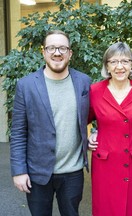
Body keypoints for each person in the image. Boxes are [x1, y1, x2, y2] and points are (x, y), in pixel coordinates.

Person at [10, 30, 91, 216]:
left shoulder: (84, 82)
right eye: (52, 48)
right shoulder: (27, 85)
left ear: (70, 53)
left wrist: (94, 131)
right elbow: (18, 133)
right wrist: (19, 171)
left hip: (73, 172)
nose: (57, 52)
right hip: (37, 172)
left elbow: (92, 115)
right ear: (43, 52)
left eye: (62, 48)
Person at [88, 42, 132, 216]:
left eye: (125, 61)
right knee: (105, 208)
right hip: (105, 162)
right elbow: (82, 120)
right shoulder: (95, 91)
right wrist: (91, 135)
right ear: (107, 66)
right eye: (114, 62)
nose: (119, 66)